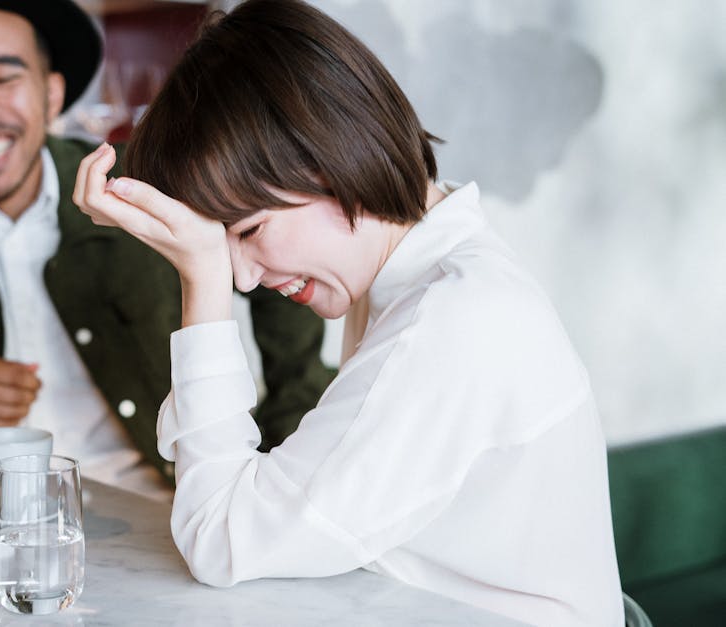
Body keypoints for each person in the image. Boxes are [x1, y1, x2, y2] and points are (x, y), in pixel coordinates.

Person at [73, 0, 624, 623]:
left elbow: (218, 538)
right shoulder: (418, 282)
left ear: (331, 157)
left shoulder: (452, 323)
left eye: (249, 230)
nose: (244, 277)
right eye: (222, 248)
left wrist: (201, 279)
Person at [0, 0, 333, 500]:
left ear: (51, 94)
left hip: (161, 506)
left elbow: (281, 296)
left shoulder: (149, 184)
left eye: (5, 77)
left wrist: (281, 469)